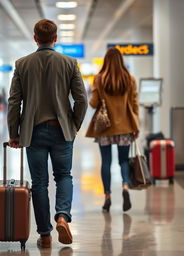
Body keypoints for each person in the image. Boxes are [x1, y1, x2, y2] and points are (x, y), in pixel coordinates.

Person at [7, 19, 87, 248]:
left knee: (39, 183)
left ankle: (45, 234)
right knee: (64, 176)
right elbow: (81, 99)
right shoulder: (69, 62)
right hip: (62, 130)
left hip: (33, 132)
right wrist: (75, 124)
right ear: (55, 38)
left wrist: (14, 132)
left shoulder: (22, 64)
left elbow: (14, 102)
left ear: (35, 38)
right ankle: (62, 216)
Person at [86, 47, 139, 213]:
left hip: (105, 128)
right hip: (125, 127)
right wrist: (135, 126)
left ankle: (107, 196)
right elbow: (134, 104)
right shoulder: (129, 79)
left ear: (106, 61)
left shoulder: (99, 79)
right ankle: (125, 186)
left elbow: (93, 103)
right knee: (123, 161)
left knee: (106, 162)